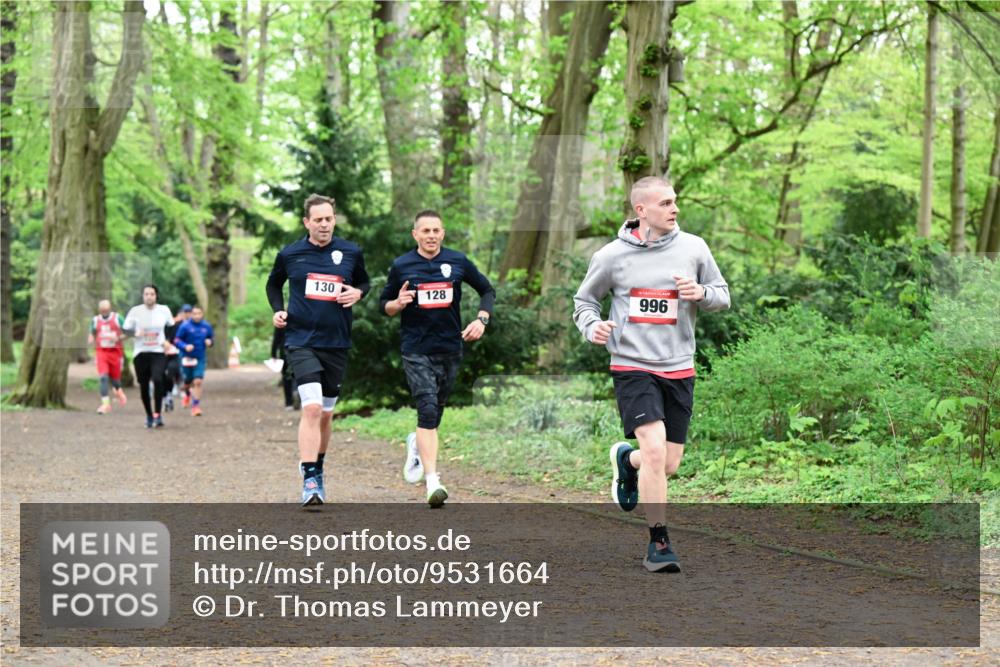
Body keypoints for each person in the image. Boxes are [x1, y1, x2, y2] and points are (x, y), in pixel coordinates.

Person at [573, 176, 730, 572]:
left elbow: (722, 295)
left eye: (675, 201)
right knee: (657, 450)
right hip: (632, 365)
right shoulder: (611, 256)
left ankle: (630, 462)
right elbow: (585, 301)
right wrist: (593, 327)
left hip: (678, 366)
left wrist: (701, 294)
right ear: (641, 210)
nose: (675, 209)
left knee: (668, 462)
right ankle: (658, 544)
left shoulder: (694, 247)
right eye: (665, 203)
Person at [379, 210, 496, 508]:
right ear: (415, 234)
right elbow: (385, 306)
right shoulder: (402, 265)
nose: (431, 235)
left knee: (435, 412)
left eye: (436, 230)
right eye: (425, 231)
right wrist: (398, 303)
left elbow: (486, 290)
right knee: (427, 407)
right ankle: (433, 480)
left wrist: (481, 320)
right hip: (416, 348)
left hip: (450, 347)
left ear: (443, 233)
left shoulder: (457, 261)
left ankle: (416, 444)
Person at [266, 194, 370, 507]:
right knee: (311, 408)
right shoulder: (291, 254)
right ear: (307, 222)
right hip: (300, 340)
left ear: (334, 219)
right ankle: (309, 477)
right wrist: (278, 309)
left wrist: (358, 293)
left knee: (326, 413)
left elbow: (364, 282)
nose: (324, 224)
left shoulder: (350, 252)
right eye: (318, 220)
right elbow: (273, 285)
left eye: (329, 219)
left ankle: (318, 466)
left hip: (337, 341)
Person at [123, 285, 176, 428]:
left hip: (158, 351)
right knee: (144, 385)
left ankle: (158, 414)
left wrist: (168, 341)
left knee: (158, 379)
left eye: (152, 294)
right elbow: (125, 329)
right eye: (146, 294)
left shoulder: (164, 310)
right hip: (140, 352)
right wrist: (134, 333)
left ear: (156, 296)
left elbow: (171, 326)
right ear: (143, 296)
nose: (149, 296)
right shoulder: (135, 311)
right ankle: (149, 415)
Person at [87, 299, 128, 414]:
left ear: (110, 309)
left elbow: (128, 332)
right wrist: (90, 338)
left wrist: (118, 338)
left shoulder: (117, 318)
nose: (105, 312)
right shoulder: (95, 320)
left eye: (107, 310)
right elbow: (92, 332)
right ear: (100, 310)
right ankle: (105, 404)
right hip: (102, 352)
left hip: (115, 352)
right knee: (103, 377)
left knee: (115, 381)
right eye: (103, 310)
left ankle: (119, 391)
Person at [173, 305, 214, 417]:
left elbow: (211, 338)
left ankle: (196, 406)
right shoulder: (185, 326)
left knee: (197, 381)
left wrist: (210, 342)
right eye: (194, 313)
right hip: (186, 357)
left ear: (202, 314)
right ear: (191, 314)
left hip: (200, 357)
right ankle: (187, 394)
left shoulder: (207, 326)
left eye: (199, 313)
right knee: (187, 381)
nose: (196, 316)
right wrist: (185, 346)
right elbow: (176, 340)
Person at [163, 304, 190, 412]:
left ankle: (182, 392)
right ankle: (167, 395)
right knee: (163, 375)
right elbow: (165, 337)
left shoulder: (187, 325)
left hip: (179, 353)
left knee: (176, 371)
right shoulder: (170, 324)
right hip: (164, 353)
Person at [270, 327, 298, 410]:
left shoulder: (281, 318)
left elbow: (276, 338)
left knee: (286, 378)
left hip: (284, 352)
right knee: (297, 375)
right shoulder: (301, 316)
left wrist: (273, 354)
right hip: (299, 351)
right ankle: (295, 390)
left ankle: (289, 403)